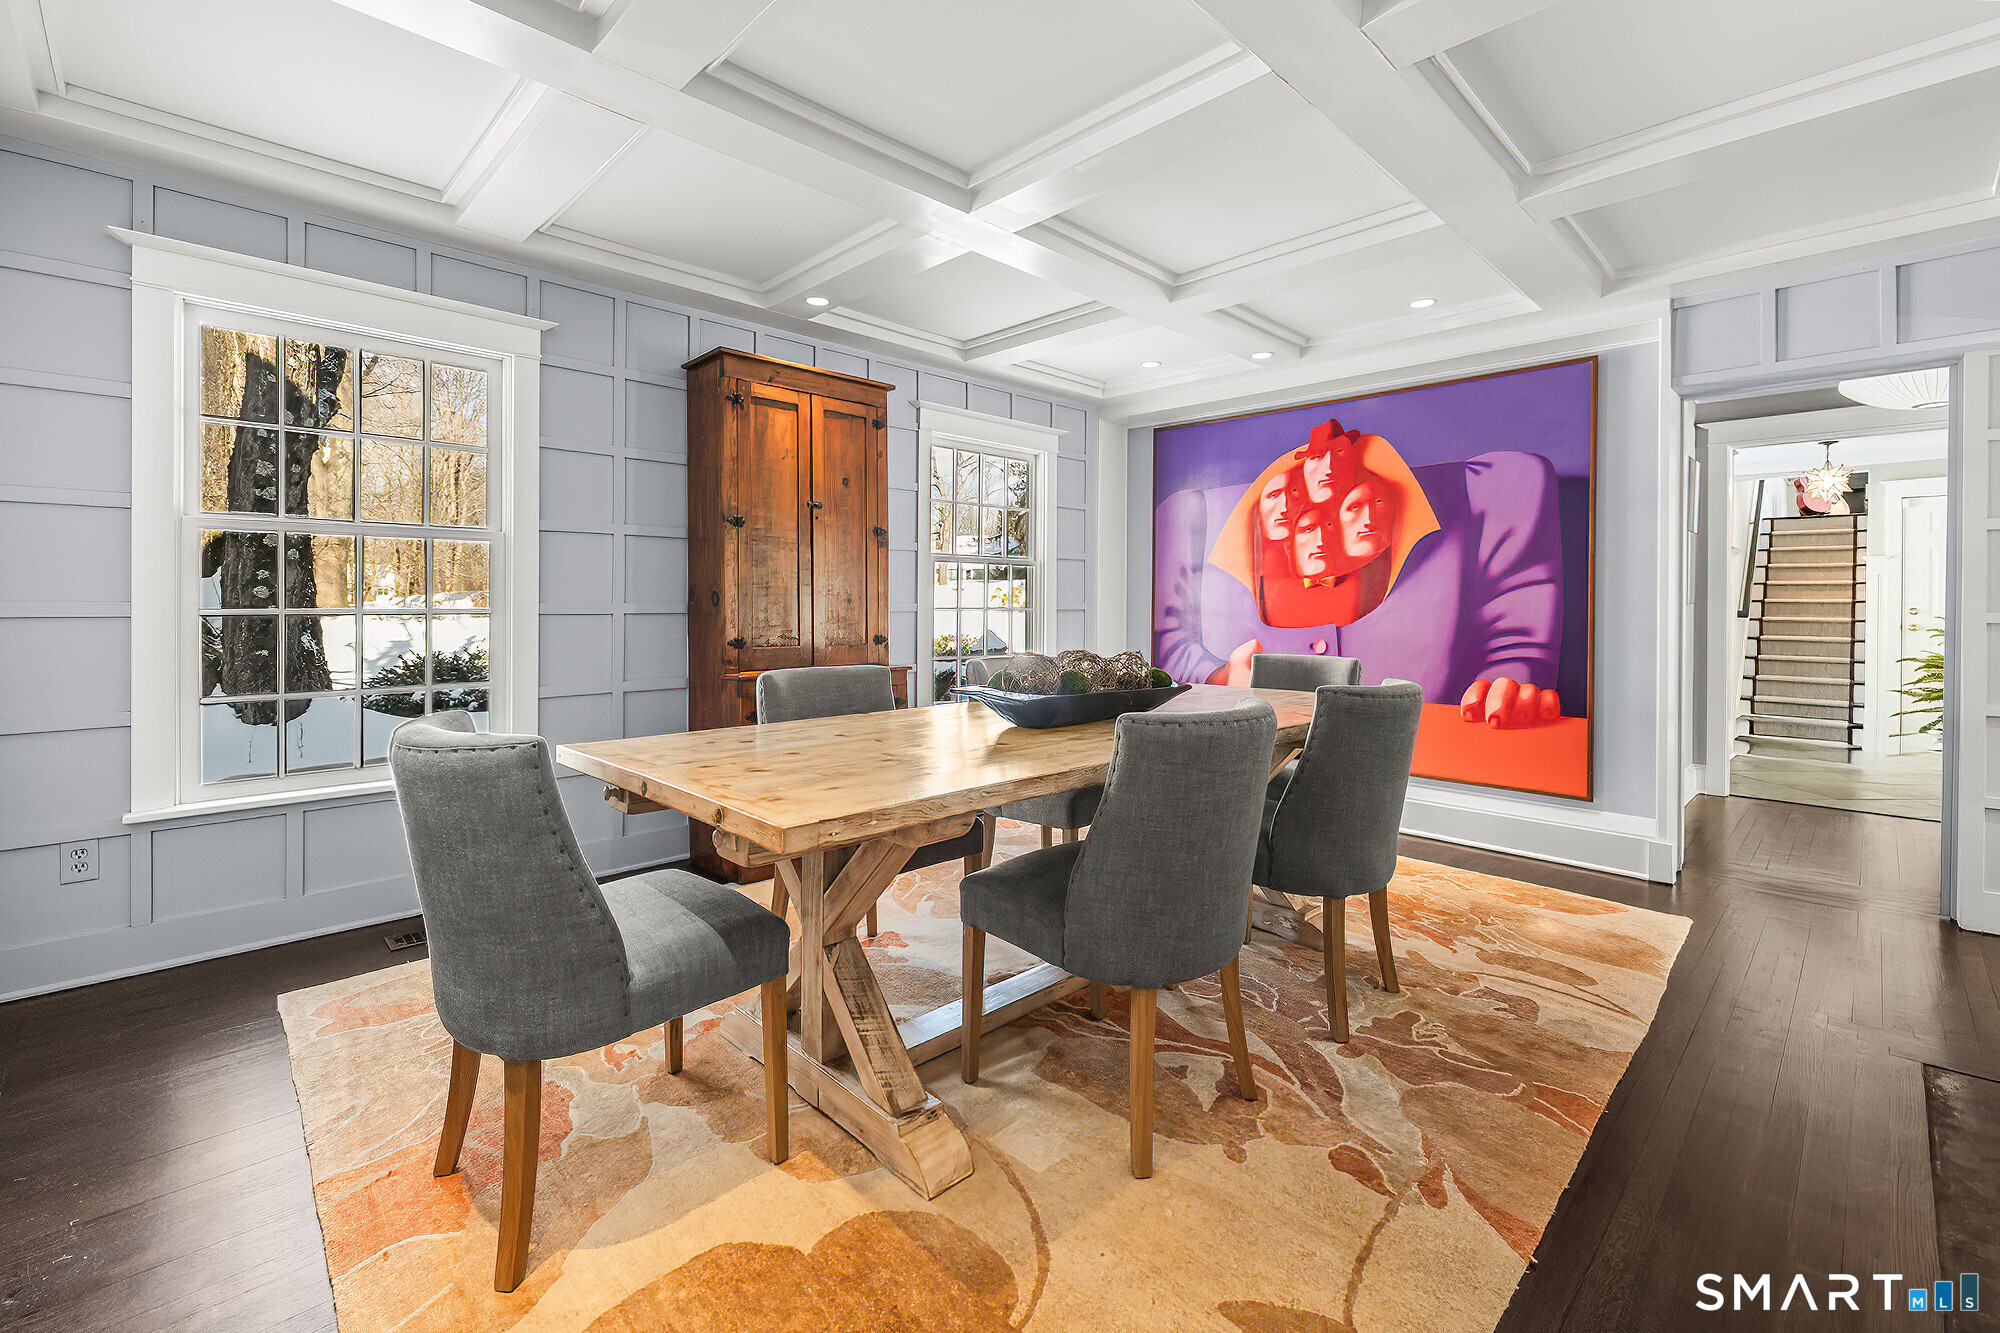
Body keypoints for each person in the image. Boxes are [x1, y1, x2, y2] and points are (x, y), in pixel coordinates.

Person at [1154, 417, 1566, 729]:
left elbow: (1517, 639)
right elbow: (1167, 657)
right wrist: (1220, 676)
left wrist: (1512, 675)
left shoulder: (1490, 492)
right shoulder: (1192, 519)